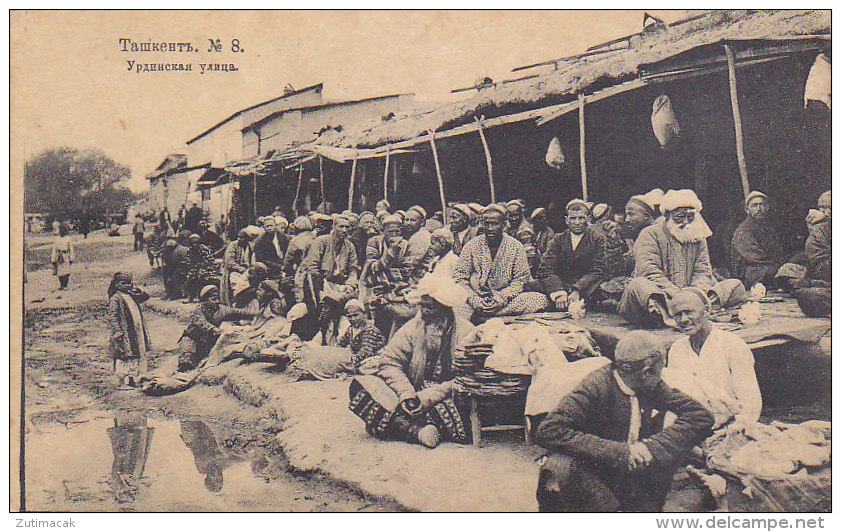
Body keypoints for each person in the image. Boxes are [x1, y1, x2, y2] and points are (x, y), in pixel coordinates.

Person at [534, 330, 714, 512]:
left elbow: (700, 416)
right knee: (560, 464)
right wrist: (621, 452)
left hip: (633, 481)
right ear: (647, 371)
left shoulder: (649, 384)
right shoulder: (595, 387)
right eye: (660, 370)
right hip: (597, 478)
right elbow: (548, 430)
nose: (661, 377)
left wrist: (651, 447)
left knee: (672, 448)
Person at [348, 275, 476, 448]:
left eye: (429, 307)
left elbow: (470, 376)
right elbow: (390, 363)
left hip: (445, 396)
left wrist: (429, 397)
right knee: (361, 388)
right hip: (411, 394)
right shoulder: (411, 328)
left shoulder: (467, 332)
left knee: (462, 409)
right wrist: (406, 394)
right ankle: (417, 431)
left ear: (444, 308)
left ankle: (402, 425)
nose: (423, 311)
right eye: (422, 306)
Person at [619, 189, 747, 328]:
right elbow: (649, 272)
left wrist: (694, 295)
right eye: (680, 217)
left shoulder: (697, 236)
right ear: (668, 215)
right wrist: (677, 295)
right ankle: (676, 315)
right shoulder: (649, 234)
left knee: (735, 286)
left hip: (690, 296)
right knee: (639, 285)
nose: (686, 222)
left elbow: (703, 271)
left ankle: (686, 311)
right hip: (661, 296)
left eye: (690, 216)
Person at [668, 289, 761, 430]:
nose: (683, 320)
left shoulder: (732, 344)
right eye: (678, 315)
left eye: (688, 312)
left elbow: (751, 403)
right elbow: (675, 398)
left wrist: (736, 430)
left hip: (731, 424)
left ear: (706, 311)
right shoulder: (677, 349)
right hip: (691, 426)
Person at [453, 204, 549, 321]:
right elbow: (460, 277)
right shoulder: (472, 245)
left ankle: (486, 314)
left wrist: (501, 298)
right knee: (456, 305)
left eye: (494, 224)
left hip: (505, 299)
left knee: (539, 299)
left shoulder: (515, 246)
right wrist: (474, 299)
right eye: (486, 223)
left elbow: (520, 279)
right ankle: (486, 312)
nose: (489, 228)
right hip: (476, 297)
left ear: (503, 225)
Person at [536, 199, 608, 311]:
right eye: (573, 218)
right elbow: (546, 267)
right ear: (567, 220)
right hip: (561, 285)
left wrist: (577, 289)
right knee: (531, 286)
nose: (577, 222)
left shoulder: (597, 239)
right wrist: (558, 291)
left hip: (587, 286)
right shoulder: (558, 239)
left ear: (588, 219)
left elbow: (599, 269)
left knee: (603, 292)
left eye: (581, 218)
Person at [301, 214, 359, 344]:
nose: (344, 230)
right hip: (318, 282)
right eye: (341, 227)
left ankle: (337, 339)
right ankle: (317, 338)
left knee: (347, 304)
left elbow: (353, 269)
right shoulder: (322, 241)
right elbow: (313, 267)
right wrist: (324, 290)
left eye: (347, 227)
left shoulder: (349, 246)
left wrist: (350, 284)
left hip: (339, 284)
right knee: (322, 309)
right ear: (334, 227)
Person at [176, 286, 258, 372]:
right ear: (205, 300)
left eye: (217, 298)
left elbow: (239, 312)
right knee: (186, 361)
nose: (217, 301)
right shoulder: (198, 310)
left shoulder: (222, 309)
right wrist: (215, 330)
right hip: (192, 338)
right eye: (213, 299)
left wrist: (256, 313)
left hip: (208, 342)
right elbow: (202, 323)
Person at [364, 214, 418, 337]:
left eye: (397, 232)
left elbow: (407, 270)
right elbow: (373, 268)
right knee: (378, 308)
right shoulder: (374, 242)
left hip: (399, 287)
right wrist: (390, 254)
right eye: (390, 232)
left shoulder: (405, 244)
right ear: (383, 231)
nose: (394, 235)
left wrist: (386, 270)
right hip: (376, 285)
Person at [730, 191, 785, 289]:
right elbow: (755, 258)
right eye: (754, 206)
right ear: (747, 210)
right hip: (751, 272)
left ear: (767, 208)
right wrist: (779, 266)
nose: (759, 209)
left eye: (762, 205)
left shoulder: (768, 228)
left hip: (767, 269)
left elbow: (778, 252)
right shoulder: (743, 230)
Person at [107, 272, 152, 387]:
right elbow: (113, 316)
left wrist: (137, 290)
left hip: (136, 330)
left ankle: (134, 378)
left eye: (129, 283)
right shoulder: (116, 298)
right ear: (117, 284)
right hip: (124, 333)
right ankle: (123, 380)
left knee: (137, 353)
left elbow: (145, 297)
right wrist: (117, 331)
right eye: (124, 283)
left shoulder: (132, 295)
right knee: (125, 355)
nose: (127, 286)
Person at [796, 190, 831, 317]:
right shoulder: (819, 233)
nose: (826, 212)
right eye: (822, 208)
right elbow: (822, 268)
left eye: (830, 207)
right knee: (809, 296)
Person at [221, 227, 256, 305]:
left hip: (246, 270)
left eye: (242, 237)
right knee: (237, 284)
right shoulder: (233, 245)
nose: (239, 239)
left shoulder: (250, 246)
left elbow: (253, 259)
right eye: (238, 237)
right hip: (233, 270)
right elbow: (229, 262)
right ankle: (236, 301)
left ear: (247, 239)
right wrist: (240, 269)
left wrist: (251, 268)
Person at [184, 233, 220, 302]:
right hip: (196, 267)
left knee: (200, 275)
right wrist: (192, 268)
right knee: (190, 275)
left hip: (207, 268)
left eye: (196, 242)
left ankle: (198, 296)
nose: (194, 244)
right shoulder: (190, 250)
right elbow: (189, 261)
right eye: (192, 243)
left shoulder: (204, 249)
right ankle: (190, 296)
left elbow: (210, 260)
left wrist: (200, 266)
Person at [50, 223, 75, 290]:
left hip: (65, 255)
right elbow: (54, 249)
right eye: (61, 230)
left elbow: (71, 249)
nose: (62, 232)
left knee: (66, 270)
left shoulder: (68, 238)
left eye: (64, 230)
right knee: (60, 271)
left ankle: (65, 285)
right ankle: (61, 284)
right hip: (59, 256)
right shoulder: (56, 239)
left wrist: (71, 257)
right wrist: (53, 259)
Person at [171, 230, 193, 301]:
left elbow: (174, 260)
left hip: (179, 267)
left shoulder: (178, 248)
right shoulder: (185, 249)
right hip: (184, 267)